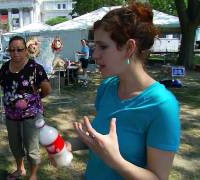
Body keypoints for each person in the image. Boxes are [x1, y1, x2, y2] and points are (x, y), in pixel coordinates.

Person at [64, 2, 181, 179]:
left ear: (129, 48)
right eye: (95, 46)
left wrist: (115, 161)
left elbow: (158, 177)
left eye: (103, 47)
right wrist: (69, 145)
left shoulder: (163, 106)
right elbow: (101, 139)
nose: (94, 55)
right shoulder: (108, 86)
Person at [0, 36, 52, 180]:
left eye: (19, 49)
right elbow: (4, 87)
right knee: (15, 145)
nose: (15, 53)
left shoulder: (35, 68)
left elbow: (46, 89)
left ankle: (33, 175)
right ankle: (20, 169)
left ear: (26, 51)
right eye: (12, 50)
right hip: (11, 115)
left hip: (31, 115)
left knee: (31, 147)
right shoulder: (4, 68)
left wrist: (33, 101)